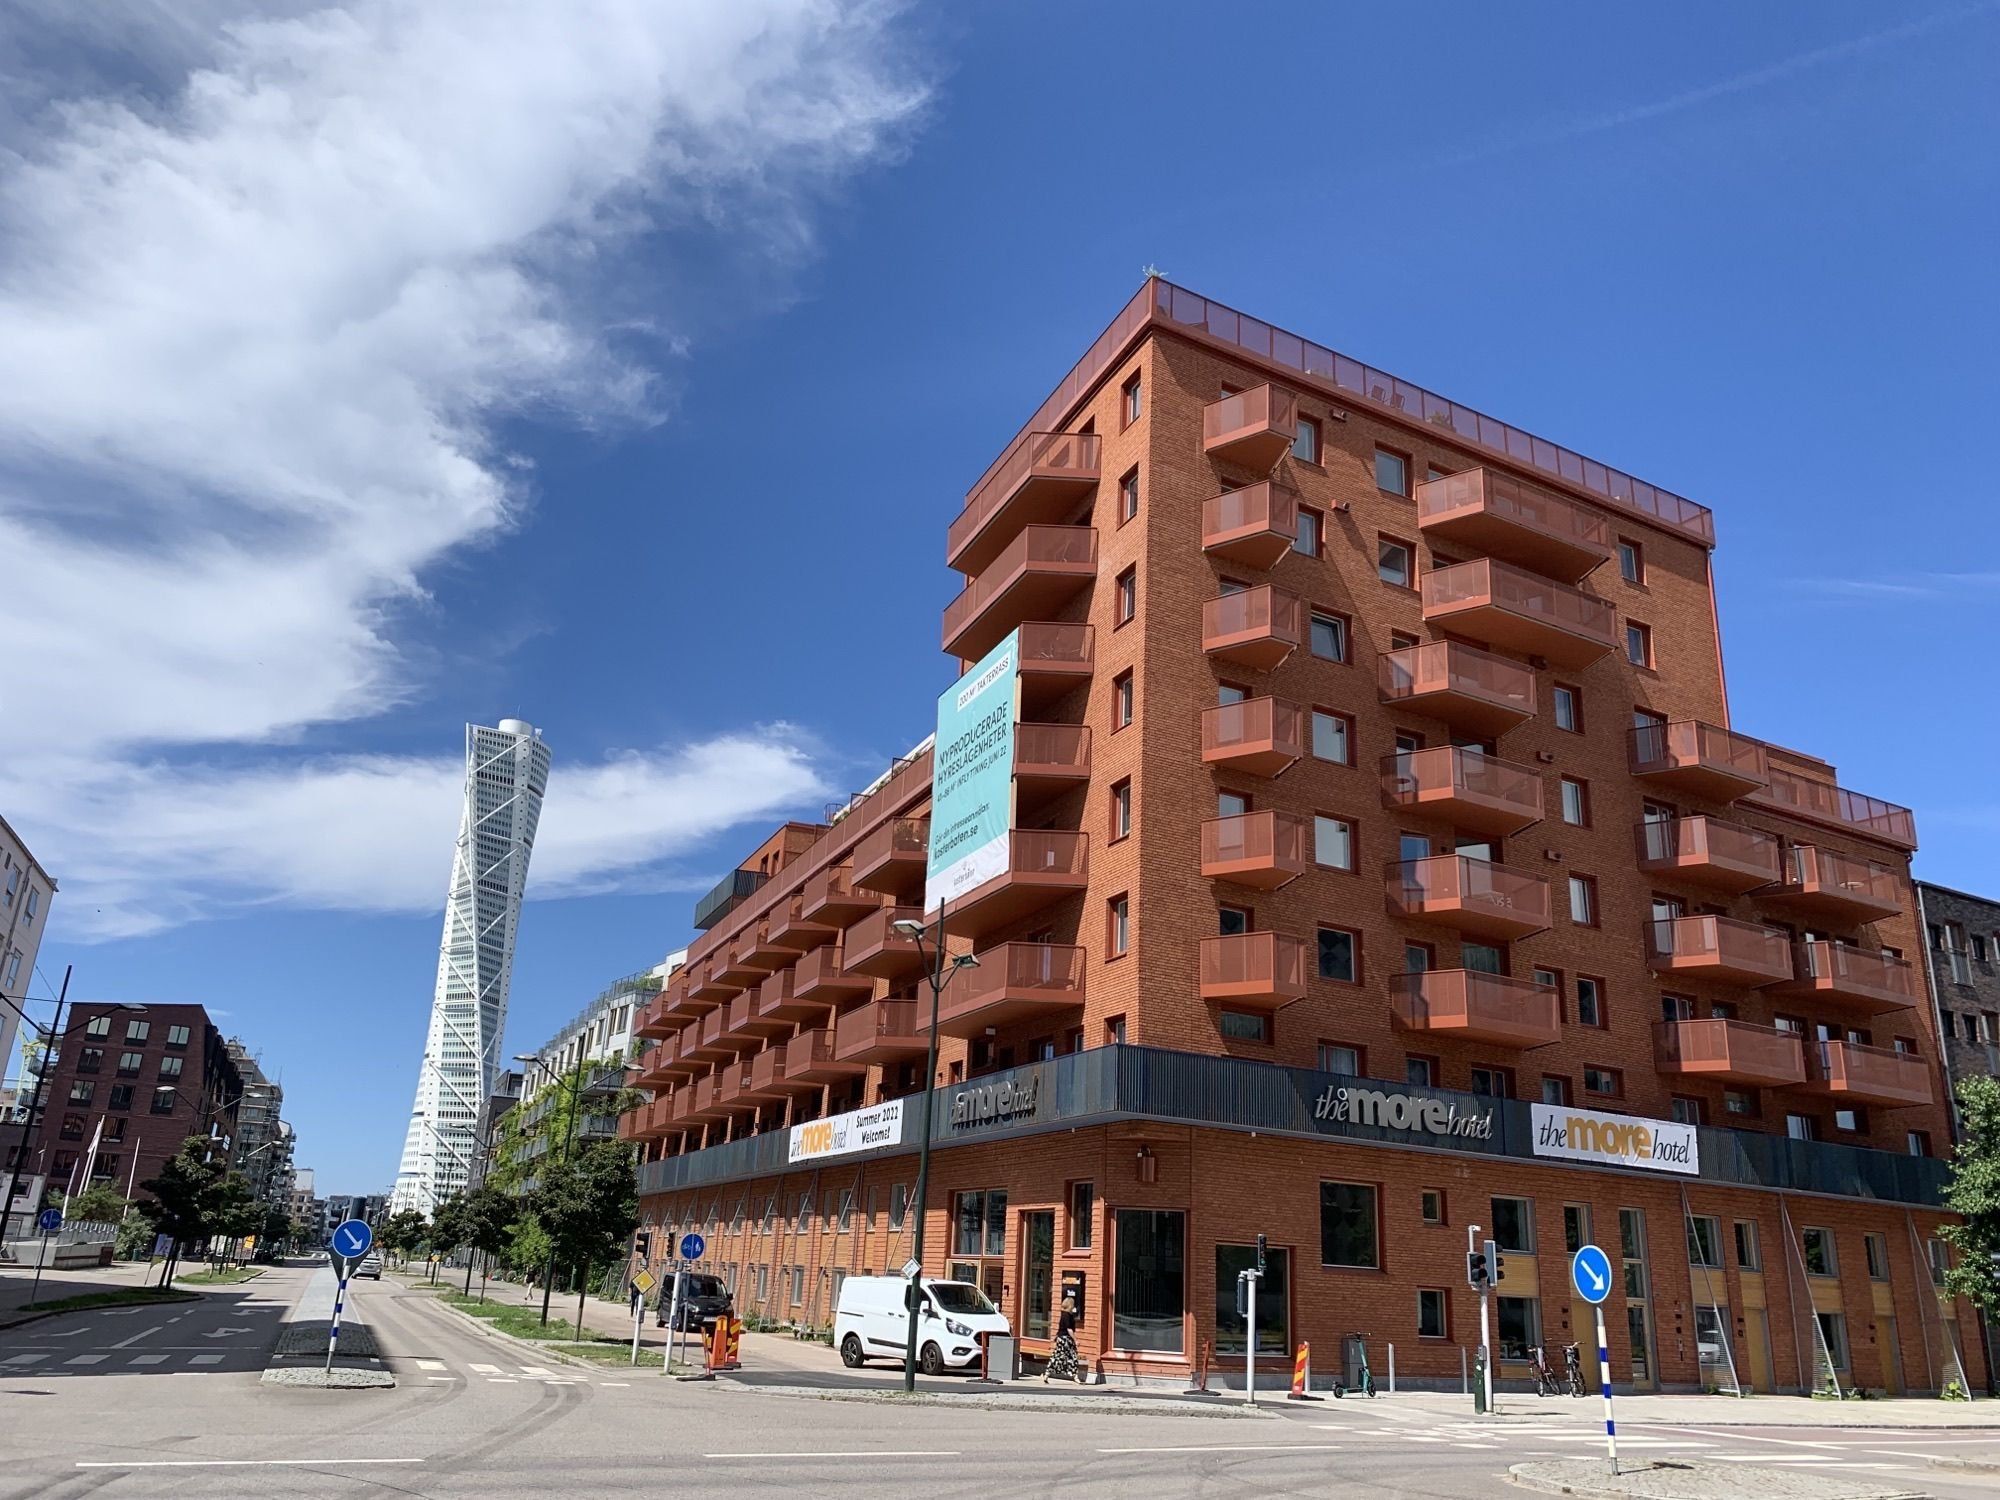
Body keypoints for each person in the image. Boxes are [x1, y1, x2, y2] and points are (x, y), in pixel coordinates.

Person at [1044, 1292, 1084, 1384]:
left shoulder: (1063, 1315)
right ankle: (1075, 1377)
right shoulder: (1068, 1316)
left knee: (1057, 1357)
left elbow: (1060, 1328)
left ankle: (1047, 1374)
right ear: (1070, 1305)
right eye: (1073, 1304)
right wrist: (1076, 1340)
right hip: (1067, 1340)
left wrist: (1056, 1337)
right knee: (1073, 1357)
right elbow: (1069, 1329)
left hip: (1061, 1339)